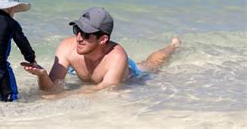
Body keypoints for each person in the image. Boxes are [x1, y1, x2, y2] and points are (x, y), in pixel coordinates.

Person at [23, 7, 181, 93]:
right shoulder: (67, 47)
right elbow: (51, 90)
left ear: (103, 39)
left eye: (86, 34)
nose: (79, 38)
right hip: (89, 67)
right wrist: (42, 76)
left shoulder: (117, 57)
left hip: (129, 72)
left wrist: (68, 95)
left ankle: (173, 46)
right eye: (77, 30)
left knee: (151, 64)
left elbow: (104, 91)